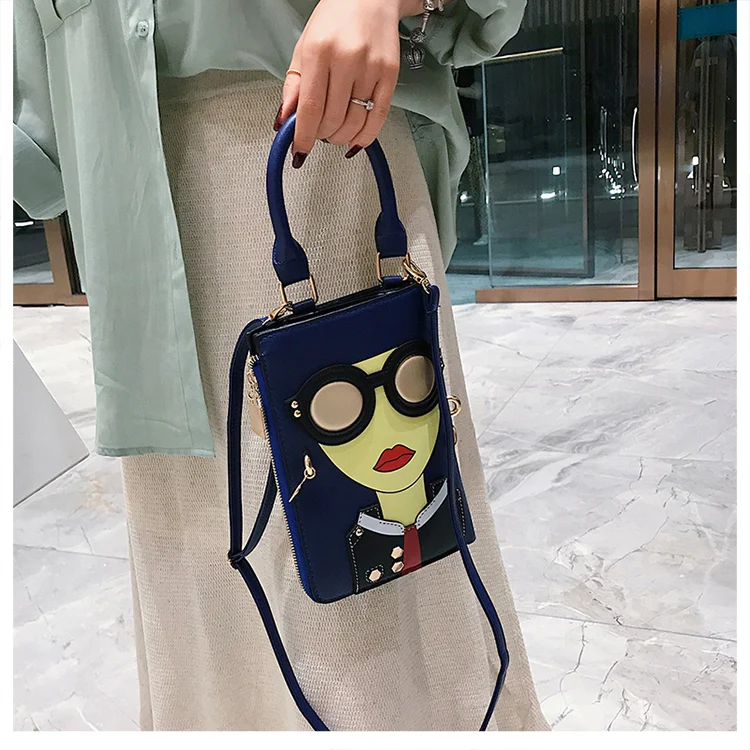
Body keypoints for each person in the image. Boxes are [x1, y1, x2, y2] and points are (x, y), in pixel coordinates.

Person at [14, 0, 549, 731]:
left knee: (369, 604)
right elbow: (36, 138)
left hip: (319, 136)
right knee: (205, 587)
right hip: (127, 194)